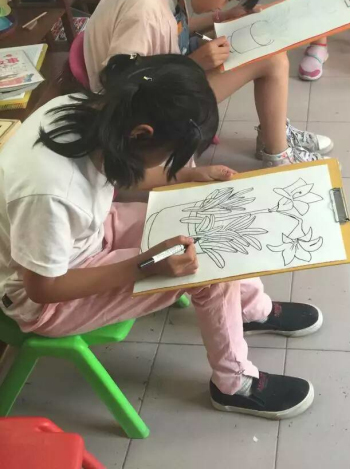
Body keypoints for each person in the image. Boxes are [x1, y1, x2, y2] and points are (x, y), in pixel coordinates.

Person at [0, 54, 322, 419]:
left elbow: (122, 169)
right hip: (46, 299)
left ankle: (251, 310)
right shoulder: (51, 191)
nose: (172, 163)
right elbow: (43, 288)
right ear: (142, 134)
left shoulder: (89, 110)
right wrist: (144, 267)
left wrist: (185, 177)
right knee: (208, 268)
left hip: (84, 236)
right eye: (171, 156)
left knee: (203, 222)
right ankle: (233, 384)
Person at [84, 0, 332, 166]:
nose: (222, 4)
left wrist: (221, 19)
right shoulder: (144, 9)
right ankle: (278, 152)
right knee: (272, 59)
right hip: (139, 111)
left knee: (269, 52)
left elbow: (170, 28)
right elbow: (122, 84)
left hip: (160, 77)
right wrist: (194, 64)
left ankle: (275, 135)